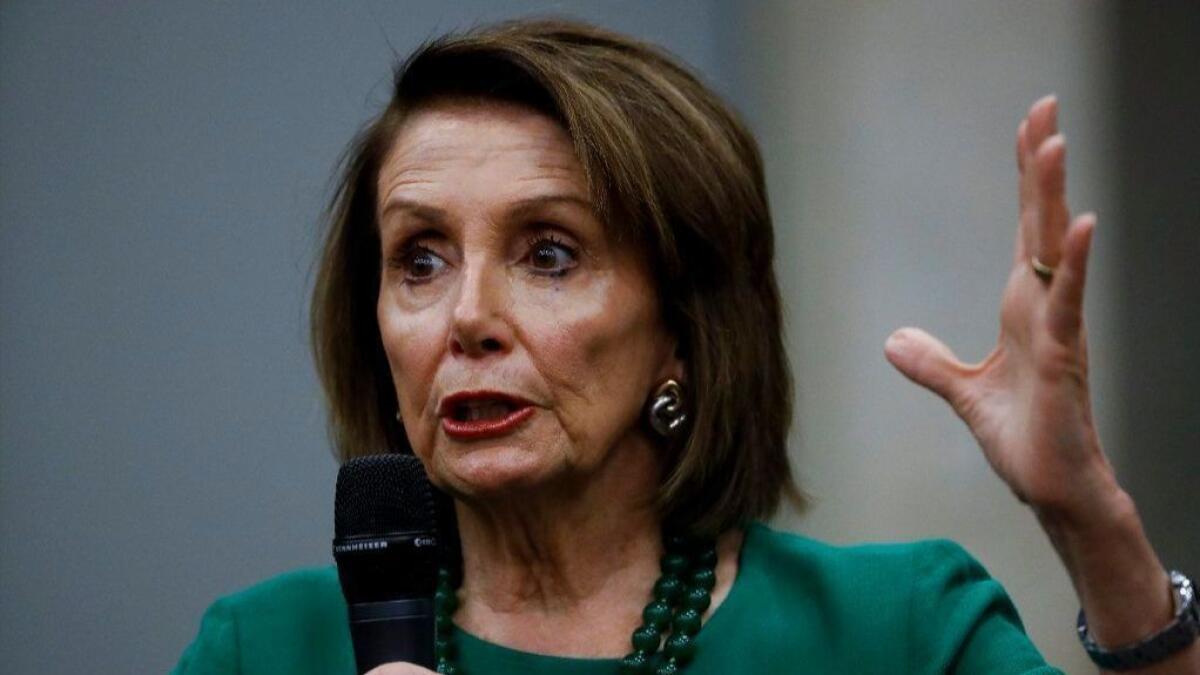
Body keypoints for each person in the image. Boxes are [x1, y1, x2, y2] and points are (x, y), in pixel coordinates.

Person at [172, 19, 1199, 675]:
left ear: (681, 329)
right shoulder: (265, 650)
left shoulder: (896, 632)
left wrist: (1089, 520)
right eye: (422, 259)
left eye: (550, 253)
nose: (466, 317)